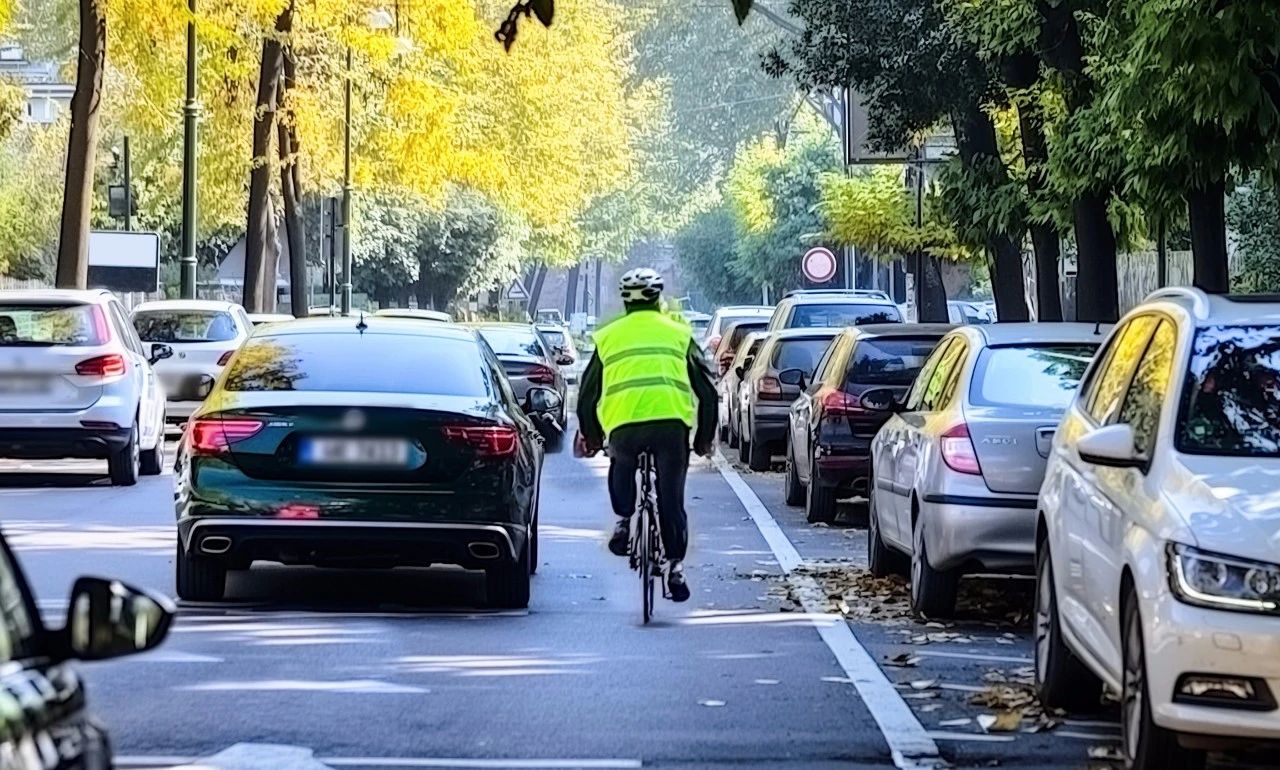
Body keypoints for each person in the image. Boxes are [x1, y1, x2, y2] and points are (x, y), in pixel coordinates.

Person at [576, 268, 717, 603]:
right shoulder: (679, 335)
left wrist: (593, 436)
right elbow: (708, 391)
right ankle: (675, 567)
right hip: (671, 427)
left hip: (624, 426)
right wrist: (703, 438)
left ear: (625, 301)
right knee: (672, 499)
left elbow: (586, 395)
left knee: (621, 466)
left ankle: (624, 521)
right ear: (659, 299)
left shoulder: (609, 337)